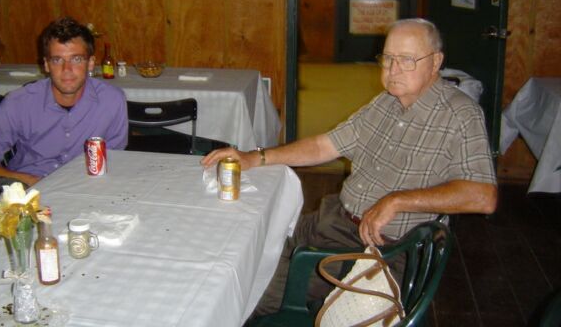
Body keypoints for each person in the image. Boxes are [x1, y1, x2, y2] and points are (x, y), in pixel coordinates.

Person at [202, 18, 498, 314]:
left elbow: (483, 196)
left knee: (242, 294)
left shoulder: (460, 114)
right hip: (332, 219)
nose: (393, 70)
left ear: (436, 62)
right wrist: (255, 157)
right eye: (388, 58)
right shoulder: (385, 103)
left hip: (379, 248)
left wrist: (398, 200)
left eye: (407, 60)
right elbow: (324, 146)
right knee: (240, 248)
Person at [0, 17, 128, 199]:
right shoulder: (19, 102)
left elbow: (115, 158)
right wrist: (30, 180)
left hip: (87, 190)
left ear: (91, 63)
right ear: (46, 64)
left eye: (76, 59)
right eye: (57, 60)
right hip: (30, 193)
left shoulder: (112, 100)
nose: (67, 69)